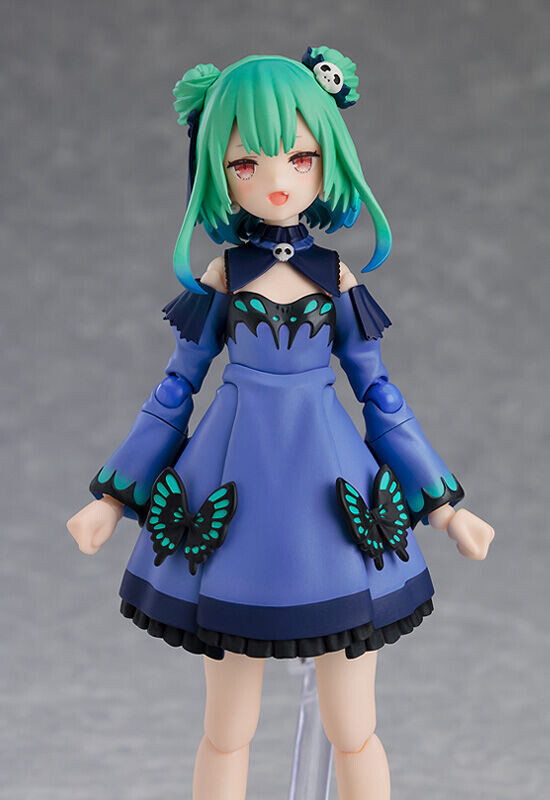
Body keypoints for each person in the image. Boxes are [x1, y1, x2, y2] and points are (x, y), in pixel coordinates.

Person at [67, 48, 494, 800]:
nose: (277, 180)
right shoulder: (225, 276)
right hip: (234, 495)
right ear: (218, 170)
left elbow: (379, 395)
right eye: (246, 163)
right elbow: (176, 388)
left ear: (329, 159)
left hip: (332, 501)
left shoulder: (338, 279)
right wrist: (111, 496)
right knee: (226, 728)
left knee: (352, 725)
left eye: (301, 157)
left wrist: (444, 506)